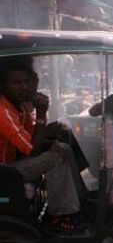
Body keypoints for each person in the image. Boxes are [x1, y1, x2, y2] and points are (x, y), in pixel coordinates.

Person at [0, 57, 82, 232]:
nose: (22, 87)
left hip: (11, 167)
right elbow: (32, 149)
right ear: (3, 85)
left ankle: (77, 200)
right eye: (16, 83)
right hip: (4, 172)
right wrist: (42, 113)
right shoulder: (3, 111)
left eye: (25, 82)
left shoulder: (19, 107)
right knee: (55, 158)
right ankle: (60, 215)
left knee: (61, 146)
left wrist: (50, 143)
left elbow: (32, 138)